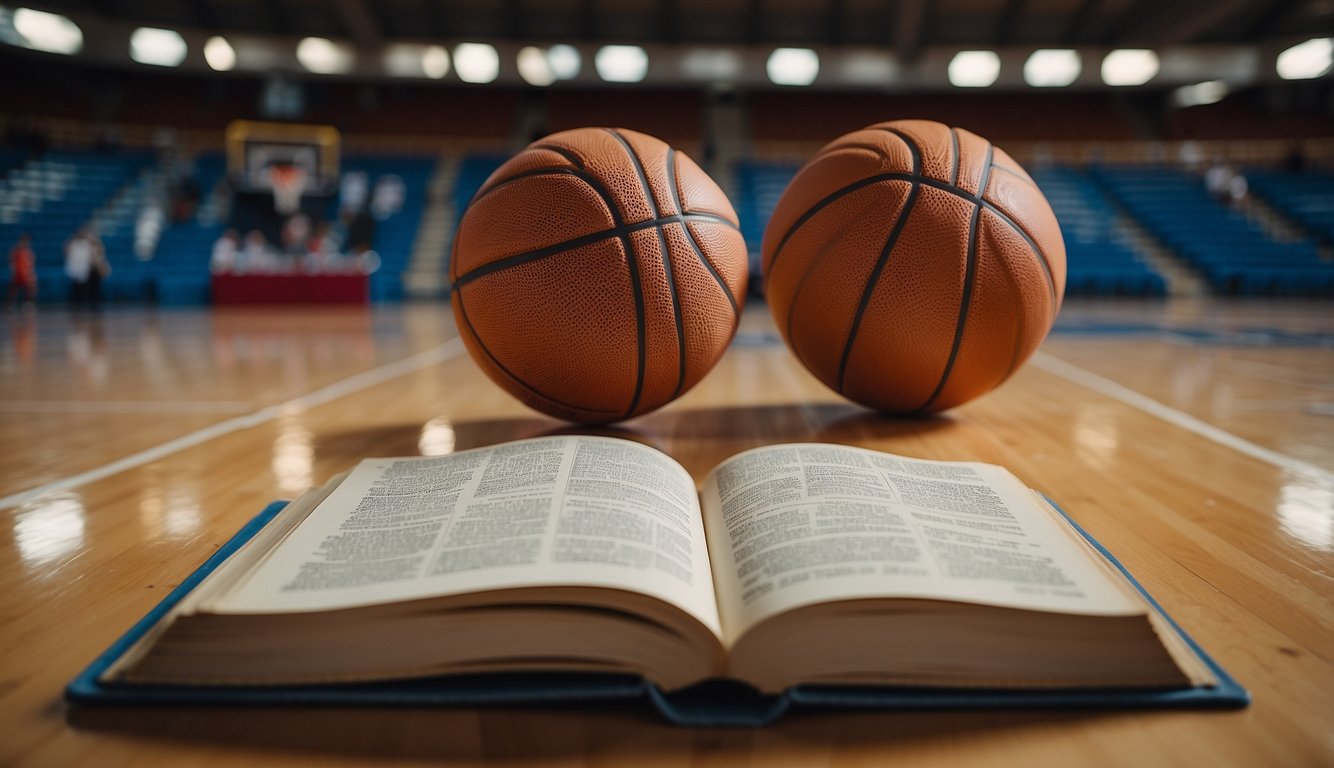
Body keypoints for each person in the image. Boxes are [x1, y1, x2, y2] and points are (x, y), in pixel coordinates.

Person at [65, 228, 94, 307]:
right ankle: (75, 301)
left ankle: (84, 301)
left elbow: (90, 255)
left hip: (83, 267)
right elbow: (66, 252)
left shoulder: (87, 244)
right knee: (75, 286)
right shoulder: (73, 243)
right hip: (75, 267)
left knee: (84, 286)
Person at [7, 232, 37, 309]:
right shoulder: (16, 251)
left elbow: (31, 264)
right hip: (18, 273)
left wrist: (31, 273)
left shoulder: (29, 252)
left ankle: (28, 302)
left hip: (26, 274)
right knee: (14, 288)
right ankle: (10, 303)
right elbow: (11, 261)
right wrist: (14, 270)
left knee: (30, 287)